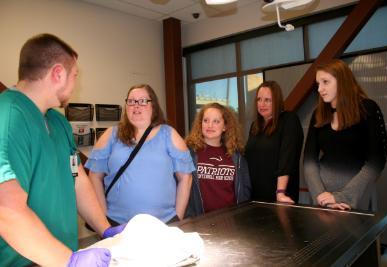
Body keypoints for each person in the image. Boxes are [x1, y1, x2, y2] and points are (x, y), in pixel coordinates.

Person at [0, 34, 124, 266]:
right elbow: (7, 211)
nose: (76, 83)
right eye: (75, 75)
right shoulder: (7, 119)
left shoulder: (59, 122)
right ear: (58, 73)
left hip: (60, 256)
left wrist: (105, 229)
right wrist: (68, 261)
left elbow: (77, 179)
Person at [85, 84, 194, 224]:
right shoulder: (111, 135)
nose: (136, 106)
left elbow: (186, 178)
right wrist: (103, 216)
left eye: (142, 101)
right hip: (117, 223)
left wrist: (178, 217)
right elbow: (94, 176)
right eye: (131, 101)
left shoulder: (169, 134)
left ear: (153, 105)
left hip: (163, 223)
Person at [303, 59, 387, 211]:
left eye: (325, 82)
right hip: (321, 200)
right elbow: (309, 161)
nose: (320, 89)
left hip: (357, 198)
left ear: (342, 81)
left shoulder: (367, 109)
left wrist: (342, 197)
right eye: (318, 84)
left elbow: (377, 160)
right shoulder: (318, 114)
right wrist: (321, 196)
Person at [185, 103, 252, 216]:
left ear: (225, 126)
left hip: (231, 222)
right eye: (206, 120)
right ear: (200, 124)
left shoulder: (237, 157)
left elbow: (245, 191)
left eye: (216, 121)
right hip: (199, 221)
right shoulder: (189, 154)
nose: (209, 125)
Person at [245, 81, 304, 203]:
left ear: (277, 102)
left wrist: (280, 192)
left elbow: (287, 159)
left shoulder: (289, 120)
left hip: (279, 196)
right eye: (259, 99)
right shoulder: (255, 126)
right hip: (255, 196)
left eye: (267, 100)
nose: (262, 104)